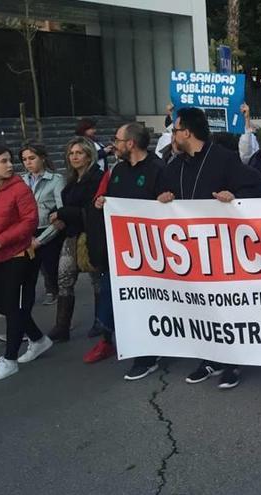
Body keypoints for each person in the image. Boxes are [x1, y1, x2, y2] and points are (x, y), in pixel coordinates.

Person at [153, 106, 261, 386]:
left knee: (228, 307)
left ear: (188, 132)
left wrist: (235, 197)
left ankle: (234, 361)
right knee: (201, 308)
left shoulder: (223, 159)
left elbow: (258, 188)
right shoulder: (174, 166)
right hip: (192, 253)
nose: (173, 135)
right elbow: (158, 198)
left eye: (175, 129)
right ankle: (209, 358)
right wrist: (164, 198)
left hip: (226, 251)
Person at [0, 145, 52, 381]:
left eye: (9, 161)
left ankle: (10, 360)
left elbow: (29, 221)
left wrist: (0, 240)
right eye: (3, 161)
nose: (10, 165)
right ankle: (38, 340)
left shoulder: (19, 189)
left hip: (20, 255)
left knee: (15, 307)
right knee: (4, 307)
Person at [83, 123, 164, 365]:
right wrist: (102, 202)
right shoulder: (117, 170)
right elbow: (109, 199)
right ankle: (108, 339)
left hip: (150, 251)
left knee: (147, 300)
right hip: (121, 249)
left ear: (131, 143)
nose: (113, 144)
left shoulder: (158, 169)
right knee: (112, 293)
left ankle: (152, 345)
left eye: (117, 139)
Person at [47, 137, 103, 342]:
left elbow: (90, 210)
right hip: (72, 236)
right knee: (64, 278)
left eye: (79, 153)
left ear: (89, 155)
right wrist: (58, 214)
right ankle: (61, 326)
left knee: (97, 279)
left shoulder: (97, 177)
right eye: (71, 153)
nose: (74, 157)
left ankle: (101, 321)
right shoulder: (72, 180)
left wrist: (63, 213)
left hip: (92, 235)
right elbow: (66, 206)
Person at [20, 142, 65, 307]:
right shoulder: (21, 180)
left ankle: (53, 290)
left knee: (49, 265)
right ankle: (24, 298)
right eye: (24, 159)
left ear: (43, 158)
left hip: (48, 228)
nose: (28, 162)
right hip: (26, 230)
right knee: (27, 267)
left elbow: (61, 212)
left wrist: (41, 240)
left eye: (32, 158)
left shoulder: (56, 179)